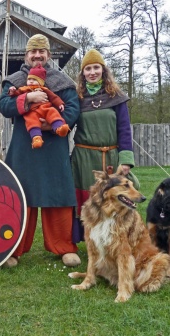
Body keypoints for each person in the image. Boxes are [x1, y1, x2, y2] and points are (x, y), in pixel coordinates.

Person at [0, 34, 81, 267]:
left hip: (54, 147)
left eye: (41, 52)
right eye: (33, 52)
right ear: (26, 55)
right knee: (21, 196)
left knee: (58, 194)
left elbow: (73, 109)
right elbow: (4, 106)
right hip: (24, 148)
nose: (37, 56)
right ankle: (13, 249)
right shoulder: (15, 80)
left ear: (48, 55)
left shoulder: (61, 81)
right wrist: (28, 98)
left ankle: (64, 246)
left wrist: (50, 125)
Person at [71, 48, 138, 243]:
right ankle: (86, 240)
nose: (92, 72)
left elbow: (124, 129)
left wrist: (125, 160)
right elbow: (66, 124)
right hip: (84, 158)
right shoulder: (77, 98)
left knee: (114, 198)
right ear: (82, 73)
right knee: (86, 199)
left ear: (103, 70)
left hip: (111, 156)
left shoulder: (116, 96)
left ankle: (116, 240)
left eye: (96, 68)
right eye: (88, 69)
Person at [8, 64, 70, 148]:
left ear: (40, 82)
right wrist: (12, 91)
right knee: (31, 121)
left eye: (34, 79)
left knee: (53, 112)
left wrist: (60, 104)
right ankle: (36, 138)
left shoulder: (44, 89)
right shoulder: (24, 89)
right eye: (29, 79)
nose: (31, 81)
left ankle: (59, 127)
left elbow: (54, 97)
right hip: (32, 111)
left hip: (45, 107)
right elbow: (16, 94)